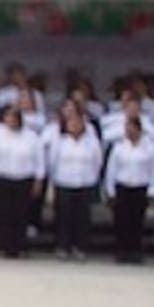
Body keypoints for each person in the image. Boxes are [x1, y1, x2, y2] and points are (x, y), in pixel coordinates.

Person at [0, 105, 44, 259]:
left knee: (21, 214)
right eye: (8, 117)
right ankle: (1, 246)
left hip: (24, 178)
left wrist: (38, 180)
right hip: (2, 178)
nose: (11, 120)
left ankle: (20, 247)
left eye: (14, 117)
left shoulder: (31, 136)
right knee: (2, 214)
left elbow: (39, 160)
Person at [104, 116, 154, 264]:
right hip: (123, 187)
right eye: (126, 128)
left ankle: (136, 251)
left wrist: (152, 190)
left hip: (140, 188)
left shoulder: (150, 147)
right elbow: (111, 170)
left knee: (136, 221)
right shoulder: (119, 147)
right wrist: (110, 190)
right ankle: (121, 251)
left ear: (138, 129)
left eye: (131, 128)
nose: (128, 131)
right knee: (121, 221)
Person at [47, 110, 103, 260]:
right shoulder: (60, 141)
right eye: (71, 122)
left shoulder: (92, 142)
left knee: (82, 218)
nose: (74, 125)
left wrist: (91, 179)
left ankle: (80, 247)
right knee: (63, 217)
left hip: (84, 183)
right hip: (64, 183)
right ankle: (62, 246)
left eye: (78, 122)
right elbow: (52, 162)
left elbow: (97, 162)